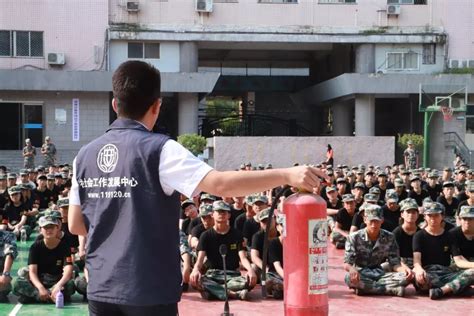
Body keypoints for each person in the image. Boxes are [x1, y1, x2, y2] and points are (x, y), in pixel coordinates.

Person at [68, 60, 328, 315]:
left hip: (101, 289)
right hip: (147, 289)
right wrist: (286, 174)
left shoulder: (84, 156)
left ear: (115, 104)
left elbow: (75, 225)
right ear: (157, 106)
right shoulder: (160, 149)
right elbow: (220, 183)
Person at [191, 201, 256, 301]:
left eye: (224, 212)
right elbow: (200, 260)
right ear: (212, 214)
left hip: (232, 276)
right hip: (213, 275)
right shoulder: (205, 236)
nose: (222, 214)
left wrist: (250, 270)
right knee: (197, 281)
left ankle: (214, 293)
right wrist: (195, 270)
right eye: (219, 211)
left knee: (249, 281)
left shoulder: (236, 234)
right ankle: (234, 294)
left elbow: (243, 258)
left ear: (229, 215)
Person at [343, 204, 412, 296]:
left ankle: (367, 289)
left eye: (377, 221)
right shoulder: (354, 237)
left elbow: (394, 262)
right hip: (361, 273)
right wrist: (351, 269)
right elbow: (347, 263)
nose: (373, 225)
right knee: (348, 278)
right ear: (365, 220)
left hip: (380, 273)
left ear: (382, 220)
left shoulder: (389, 237)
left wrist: (404, 270)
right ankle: (389, 290)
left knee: (405, 278)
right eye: (371, 221)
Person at [413, 202, 473, 300]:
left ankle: (442, 291)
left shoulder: (449, 236)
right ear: (425, 217)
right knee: (418, 279)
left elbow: (458, 260)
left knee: (472, 272)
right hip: (428, 273)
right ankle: (455, 288)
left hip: (446, 273)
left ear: (442, 216)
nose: (433, 219)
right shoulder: (419, 235)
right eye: (430, 215)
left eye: (436, 215)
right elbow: (417, 260)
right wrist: (419, 269)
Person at [13, 214, 75, 304]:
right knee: (17, 284)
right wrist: (40, 288)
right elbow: (32, 272)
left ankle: (41, 297)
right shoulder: (35, 247)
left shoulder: (64, 246)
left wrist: (58, 285)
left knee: (71, 285)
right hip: (40, 281)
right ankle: (47, 296)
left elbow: (68, 271)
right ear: (40, 230)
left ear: (57, 228)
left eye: (52, 227)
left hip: (56, 280)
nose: (49, 230)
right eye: (46, 228)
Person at [0, 230, 18, 302]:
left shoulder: (7, 236)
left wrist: (5, 274)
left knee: (3, 287)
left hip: (1, 276)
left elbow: (10, 254)